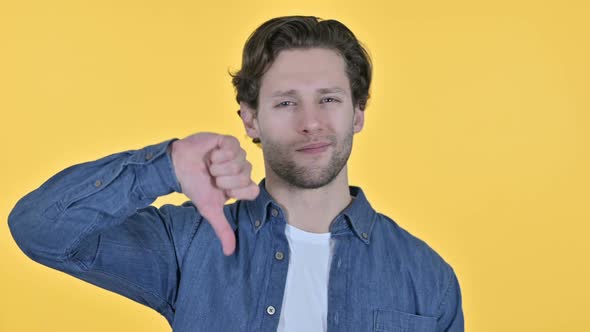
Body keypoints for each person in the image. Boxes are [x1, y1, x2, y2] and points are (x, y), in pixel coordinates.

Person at [8, 15, 464, 332]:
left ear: (358, 112)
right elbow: (40, 227)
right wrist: (163, 166)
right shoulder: (191, 243)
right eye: (286, 102)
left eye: (328, 99)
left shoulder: (428, 278)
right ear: (250, 119)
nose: (310, 121)